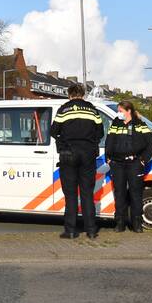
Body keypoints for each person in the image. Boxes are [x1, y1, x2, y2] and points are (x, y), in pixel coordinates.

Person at [50, 83, 105, 239]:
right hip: (88, 154)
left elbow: (54, 131)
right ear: (83, 95)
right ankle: (91, 230)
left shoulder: (64, 109)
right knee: (87, 193)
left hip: (68, 154)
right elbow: (100, 132)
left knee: (71, 194)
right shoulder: (92, 109)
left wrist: (65, 141)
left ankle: (70, 231)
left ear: (70, 95)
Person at [105, 100, 152, 233]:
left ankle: (137, 223)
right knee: (120, 193)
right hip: (117, 163)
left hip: (135, 164)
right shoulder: (115, 123)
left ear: (128, 111)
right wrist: (108, 158)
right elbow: (109, 140)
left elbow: (150, 142)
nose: (118, 113)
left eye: (120, 111)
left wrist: (143, 160)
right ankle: (120, 223)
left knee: (135, 193)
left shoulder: (139, 124)